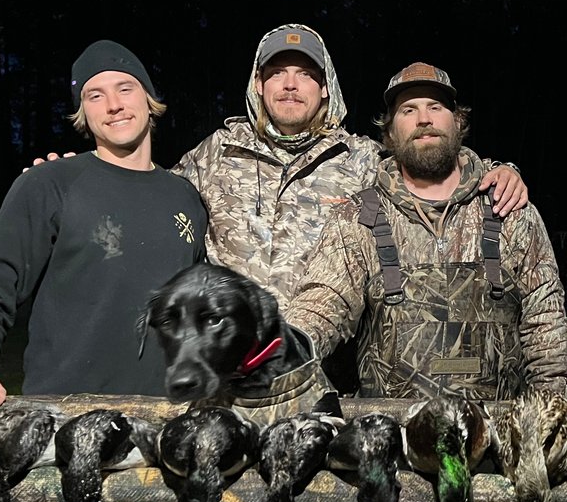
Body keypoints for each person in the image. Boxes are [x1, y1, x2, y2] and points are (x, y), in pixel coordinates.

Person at [170, 23, 530, 389]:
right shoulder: (215, 153)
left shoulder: (360, 158)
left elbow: (430, 161)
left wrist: (500, 171)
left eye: (306, 75)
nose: (290, 85)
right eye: (277, 73)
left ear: (325, 88)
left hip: (326, 376)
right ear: (259, 84)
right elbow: (150, 197)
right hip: (224, 374)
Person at [0, 40, 208, 416]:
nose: (113, 105)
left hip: (166, 416)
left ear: (149, 98)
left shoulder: (185, 198)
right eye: (94, 95)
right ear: (82, 113)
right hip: (66, 415)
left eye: (125, 88)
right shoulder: (50, 184)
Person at [284, 62, 567, 402]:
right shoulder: (359, 217)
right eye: (408, 110)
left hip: (497, 437)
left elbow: (546, 328)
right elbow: (323, 301)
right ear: (390, 131)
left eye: (435, 107)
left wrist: (550, 416)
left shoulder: (509, 210)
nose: (424, 119)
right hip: (392, 438)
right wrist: (286, 346)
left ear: (458, 122)